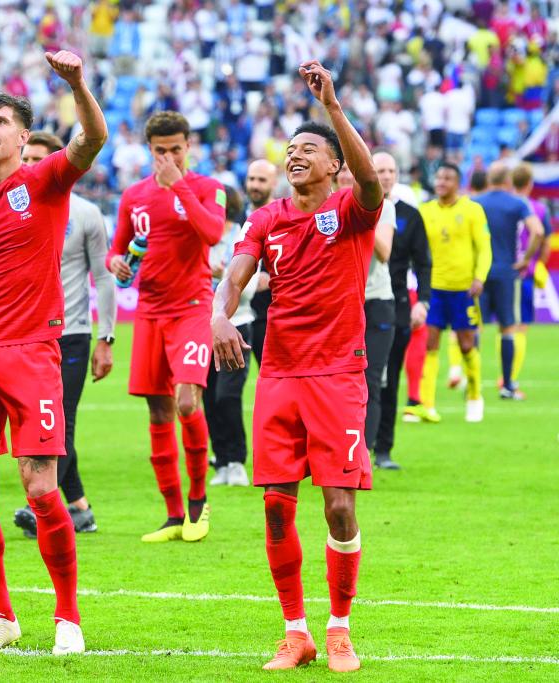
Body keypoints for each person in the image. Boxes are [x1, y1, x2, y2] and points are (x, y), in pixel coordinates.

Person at [0, 51, 106, 655]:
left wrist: (76, 83)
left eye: (1, 122)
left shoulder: (45, 182)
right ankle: (1, 616)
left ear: (23, 137)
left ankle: (67, 618)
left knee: (39, 486)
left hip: (32, 352)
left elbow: (93, 137)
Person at [212, 60, 383, 672]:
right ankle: (296, 633)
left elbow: (371, 180)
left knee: (339, 506)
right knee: (276, 506)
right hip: (280, 374)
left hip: (338, 373)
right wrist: (219, 314)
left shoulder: (354, 210)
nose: (295, 156)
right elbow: (236, 274)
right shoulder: (266, 219)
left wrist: (332, 106)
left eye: (308, 149)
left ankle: (340, 628)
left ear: (335, 164)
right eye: (290, 150)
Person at [107, 111, 225, 543]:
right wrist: (115, 263)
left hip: (192, 308)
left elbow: (212, 232)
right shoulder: (134, 196)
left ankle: (198, 501)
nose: (169, 157)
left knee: (187, 403)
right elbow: (117, 249)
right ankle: (173, 516)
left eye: (176, 149)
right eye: (161, 151)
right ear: (149, 150)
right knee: (158, 412)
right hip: (150, 313)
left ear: (188, 146)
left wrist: (178, 185)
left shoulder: (208, 188)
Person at [13, 131, 117, 538]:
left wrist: (106, 337)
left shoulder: (86, 213)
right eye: (26, 158)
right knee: (37, 419)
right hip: (26, 333)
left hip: (70, 332)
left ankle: (40, 506)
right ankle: (80, 508)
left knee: (59, 421)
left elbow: (103, 277)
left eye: (39, 159)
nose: (30, 166)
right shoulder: (12, 206)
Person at [412, 163, 491, 424]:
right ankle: (427, 404)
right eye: (438, 178)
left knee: (467, 345)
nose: (441, 182)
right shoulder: (425, 211)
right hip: (434, 289)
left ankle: (475, 396)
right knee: (430, 344)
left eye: (447, 178)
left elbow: (484, 247)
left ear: (457, 183)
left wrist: (479, 277)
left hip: (463, 290)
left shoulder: (472, 210)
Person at [372, 152, 432, 469]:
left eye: (391, 171)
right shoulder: (354, 207)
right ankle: (357, 445)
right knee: (361, 380)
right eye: (380, 170)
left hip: (396, 304)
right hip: (361, 301)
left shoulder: (409, 214)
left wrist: (423, 301)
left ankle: (383, 449)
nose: (386, 176)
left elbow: (423, 262)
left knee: (390, 378)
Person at [335, 164, 396, 469]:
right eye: (343, 171)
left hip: (375, 300)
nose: (348, 176)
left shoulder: (381, 206)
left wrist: (363, 214)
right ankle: (336, 450)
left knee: (370, 380)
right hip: (339, 304)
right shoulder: (324, 206)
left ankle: (364, 454)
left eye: (353, 170)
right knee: (335, 382)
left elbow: (384, 252)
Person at [473, 161, 544, 399]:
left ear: (489, 179)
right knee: (508, 328)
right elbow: (538, 231)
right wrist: (526, 259)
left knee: (475, 328)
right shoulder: (517, 203)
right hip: (506, 273)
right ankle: (507, 386)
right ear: (508, 180)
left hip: (479, 274)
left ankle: (472, 384)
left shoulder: (475, 202)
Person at [206, 185, 255, 488]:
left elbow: (248, 290)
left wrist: (221, 277)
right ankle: (222, 461)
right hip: (205, 329)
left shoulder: (243, 239)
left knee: (227, 395)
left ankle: (237, 460)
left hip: (238, 325)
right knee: (209, 397)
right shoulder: (204, 239)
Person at [510, 162, 553, 394]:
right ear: (530, 183)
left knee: (498, 325)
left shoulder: (504, 204)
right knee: (521, 326)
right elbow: (545, 241)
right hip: (525, 272)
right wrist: (536, 264)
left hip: (502, 271)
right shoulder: (539, 209)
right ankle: (510, 378)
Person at [243, 159, 279, 367]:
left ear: (274, 183)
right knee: (224, 384)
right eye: (251, 179)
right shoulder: (236, 217)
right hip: (237, 314)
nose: (255, 185)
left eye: (262, 180)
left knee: (275, 375)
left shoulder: (284, 217)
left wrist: (272, 277)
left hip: (270, 314)